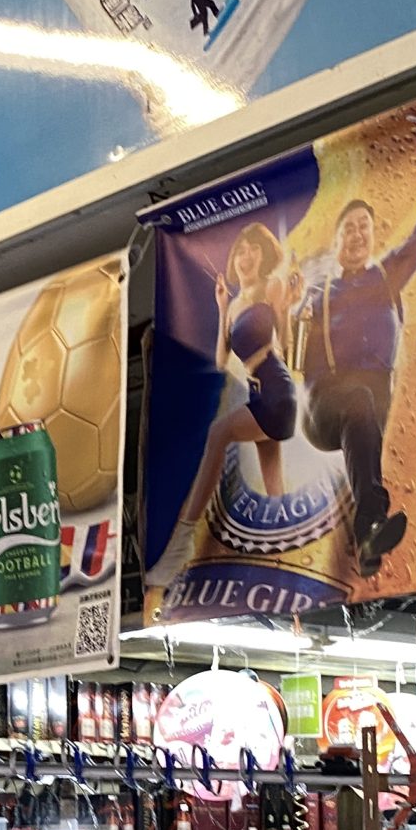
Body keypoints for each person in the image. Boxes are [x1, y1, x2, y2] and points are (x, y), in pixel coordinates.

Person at [294, 163, 416, 575]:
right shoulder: (318, 294)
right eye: (350, 228)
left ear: (374, 236)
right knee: (358, 400)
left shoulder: (385, 277)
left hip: (370, 407)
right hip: (323, 407)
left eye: (364, 226)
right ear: (337, 241)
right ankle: (370, 521)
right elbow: (291, 347)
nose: (358, 234)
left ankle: (369, 547)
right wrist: (296, 313)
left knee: (364, 406)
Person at [151, 223, 306, 598]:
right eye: (241, 250)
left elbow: (283, 345)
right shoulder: (235, 304)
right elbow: (222, 361)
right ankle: (287, 569)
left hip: (277, 389)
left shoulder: (271, 288)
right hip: (257, 394)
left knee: (218, 433)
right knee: (274, 488)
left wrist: (288, 307)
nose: (246, 256)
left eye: (254, 249)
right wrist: (222, 307)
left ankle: (183, 540)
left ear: (263, 256)